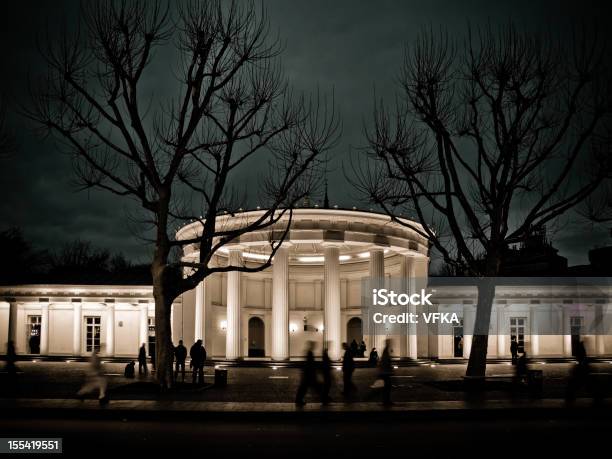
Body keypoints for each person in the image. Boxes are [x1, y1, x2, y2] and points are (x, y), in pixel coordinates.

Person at [295, 341, 321, 406]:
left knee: (304, 388)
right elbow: (310, 364)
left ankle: (298, 399)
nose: (315, 347)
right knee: (307, 387)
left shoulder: (308, 352)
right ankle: (323, 398)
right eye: (314, 345)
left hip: (308, 374)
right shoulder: (310, 352)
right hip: (309, 374)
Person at [379, 340, 394, 406]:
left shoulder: (386, 350)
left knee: (386, 388)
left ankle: (386, 400)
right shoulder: (386, 350)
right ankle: (386, 401)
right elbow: (386, 361)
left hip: (384, 372)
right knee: (386, 388)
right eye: (389, 343)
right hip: (385, 373)